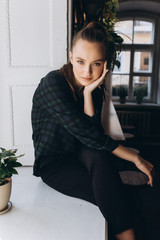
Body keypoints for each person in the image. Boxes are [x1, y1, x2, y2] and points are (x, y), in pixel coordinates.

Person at [31, 21, 155, 240]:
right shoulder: (52, 84)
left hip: (84, 154)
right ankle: (129, 235)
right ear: (70, 57)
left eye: (96, 63)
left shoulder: (95, 89)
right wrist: (133, 157)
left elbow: (93, 137)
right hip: (55, 164)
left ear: (104, 64)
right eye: (80, 61)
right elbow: (87, 134)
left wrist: (88, 94)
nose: (87, 71)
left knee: (99, 160)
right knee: (118, 197)